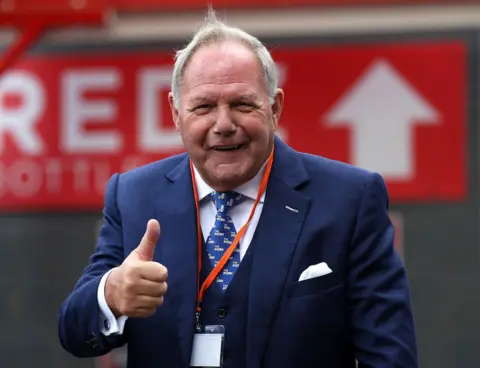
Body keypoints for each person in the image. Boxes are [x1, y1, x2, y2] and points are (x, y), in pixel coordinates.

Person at [57, 8, 418, 368]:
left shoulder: (349, 200)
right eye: (203, 107)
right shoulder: (133, 196)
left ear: (274, 107)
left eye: (242, 104)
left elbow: (390, 356)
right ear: (176, 113)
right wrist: (112, 297)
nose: (224, 124)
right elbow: (76, 335)